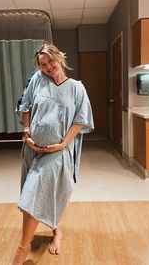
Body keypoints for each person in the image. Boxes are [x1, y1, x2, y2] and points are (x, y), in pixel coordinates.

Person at [12, 43, 94, 264]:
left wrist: (63, 145)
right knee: (42, 193)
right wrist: (26, 132)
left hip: (58, 153)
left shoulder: (77, 88)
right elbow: (25, 106)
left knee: (33, 193)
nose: (48, 67)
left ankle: (22, 249)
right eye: (43, 64)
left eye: (51, 61)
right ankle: (57, 231)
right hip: (33, 150)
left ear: (60, 58)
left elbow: (80, 121)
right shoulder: (38, 79)